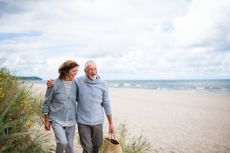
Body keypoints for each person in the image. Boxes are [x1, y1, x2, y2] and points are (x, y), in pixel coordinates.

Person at [48, 60, 114, 153]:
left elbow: (106, 104)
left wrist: (111, 123)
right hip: (83, 122)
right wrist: (52, 82)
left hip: (98, 121)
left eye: (95, 69)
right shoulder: (77, 82)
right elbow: (65, 80)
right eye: (90, 69)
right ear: (85, 71)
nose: (93, 71)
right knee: (87, 148)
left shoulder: (103, 84)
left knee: (96, 147)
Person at [42, 60, 79, 153]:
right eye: (74, 71)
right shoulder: (53, 84)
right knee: (62, 142)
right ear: (66, 71)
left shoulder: (76, 84)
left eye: (77, 71)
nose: (76, 73)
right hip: (56, 119)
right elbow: (46, 103)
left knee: (70, 146)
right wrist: (46, 120)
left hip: (71, 120)